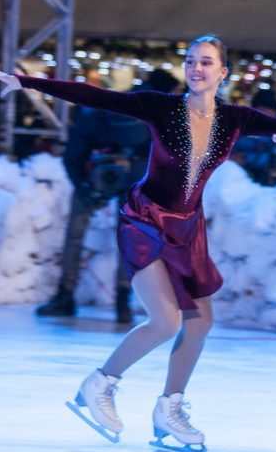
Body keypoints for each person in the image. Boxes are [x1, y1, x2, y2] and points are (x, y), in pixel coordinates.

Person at [0, 35, 276, 451]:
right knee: (166, 321)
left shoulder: (234, 119)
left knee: (200, 323)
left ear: (222, 72)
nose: (197, 68)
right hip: (144, 219)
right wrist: (28, 82)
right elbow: (98, 97)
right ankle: (100, 383)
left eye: (206, 62)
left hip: (186, 229)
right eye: (191, 61)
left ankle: (169, 408)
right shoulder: (162, 107)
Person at [36, 71, 178, 323]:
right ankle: (123, 300)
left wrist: (84, 185)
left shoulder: (92, 118)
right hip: (129, 179)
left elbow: (73, 156)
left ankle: (65, 296)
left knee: (76, 233)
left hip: (111, 180)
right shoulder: (149, 119)